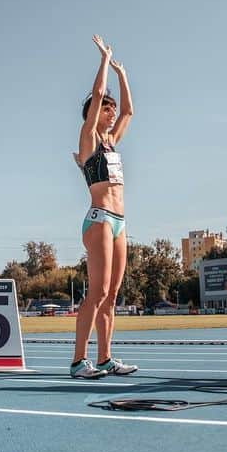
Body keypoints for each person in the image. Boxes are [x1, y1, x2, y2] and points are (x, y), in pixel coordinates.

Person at [69, 35, 138, 379]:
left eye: (111, 109)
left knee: (112, 296)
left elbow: (130, 111)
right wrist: (104, 60)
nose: (111, 112)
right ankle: (79, 361)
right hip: (99, 220)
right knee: (95, 293)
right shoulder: (89, 138)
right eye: (106, 109)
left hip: (120, 222)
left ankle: (106, 358)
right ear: (94, 114)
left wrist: (122, 73)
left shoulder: (112, 141)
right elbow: (97, 95)